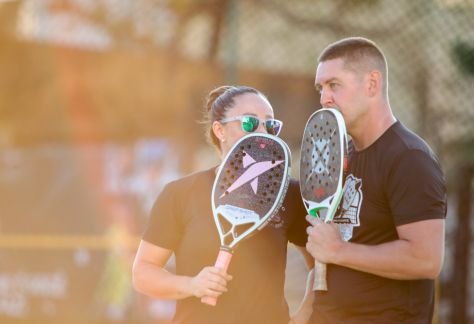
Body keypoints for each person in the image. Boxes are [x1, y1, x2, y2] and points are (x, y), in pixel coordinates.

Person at [132, 85, 312, 324]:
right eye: (249, 122)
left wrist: (304, 317)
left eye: (270, 125)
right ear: (220, 130)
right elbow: (143, 272)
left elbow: (321, 265)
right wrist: (192, 285)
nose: (262, 131)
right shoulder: (181, 193)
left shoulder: (289, 192)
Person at [301, 37, 447, 323]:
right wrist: (305, 310)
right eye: (320, 88)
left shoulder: (409, 158)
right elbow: (324, 242)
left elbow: (426, 259)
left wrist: (339, 251)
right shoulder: (337, 154)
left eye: (334, 85)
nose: (323, 98)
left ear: (371, 84)